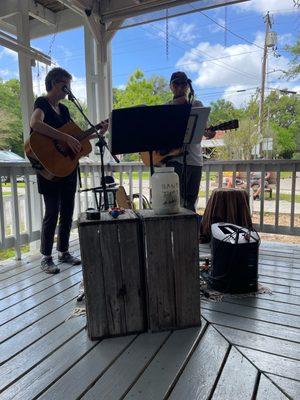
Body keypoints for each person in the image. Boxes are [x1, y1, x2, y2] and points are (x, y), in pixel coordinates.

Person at [29, 67, 108, 274]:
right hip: (49, 167)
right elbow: (35, 124)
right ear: (55, 83)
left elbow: (75, 138)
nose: (68, 90)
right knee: (52, 211)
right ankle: (46, 257)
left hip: (67, 167)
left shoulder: (64, 110)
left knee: (67, 211)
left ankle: (63, 251)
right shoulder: (42, 103)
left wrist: (97, 131)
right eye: (66, 85)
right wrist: (64, 138)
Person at [165, 71, 215, 212]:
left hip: (194, 160)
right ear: (171, 86)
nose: (180, 86)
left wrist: (210, 132)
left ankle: (190, 233)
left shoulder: (196, 105)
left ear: (188, 86)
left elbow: (206, 131)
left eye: (184, 83)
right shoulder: (166, 108)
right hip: (174, 161)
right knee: (175, 202)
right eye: (176, 83)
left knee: (191, 202)